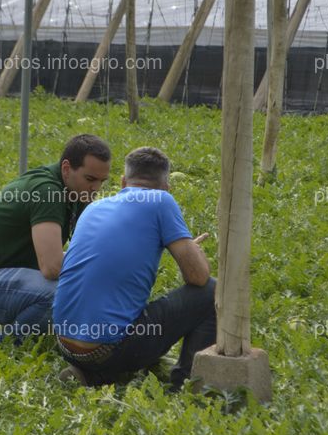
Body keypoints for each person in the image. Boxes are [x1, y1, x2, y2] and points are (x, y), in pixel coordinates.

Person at [52, 146, 216, 388]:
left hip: (64, 343)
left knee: (125, 314)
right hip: (111, 350)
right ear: (167, 186)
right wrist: (194, 251)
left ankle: (90, 375)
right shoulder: (161, 201)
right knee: (212, 292)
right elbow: (199, 277)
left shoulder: (94, 208)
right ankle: (186, 382)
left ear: (122, 182)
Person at [0, 134, 111, 342]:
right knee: (61, 294)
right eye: (90, 179)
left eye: (102, 181)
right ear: (66, 169)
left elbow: (90, 249)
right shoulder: (46, 192)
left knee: (87, 285)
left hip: (12, 279)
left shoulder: (76, 191)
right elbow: (52, 267)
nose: (96, 188)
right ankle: (4, 344)